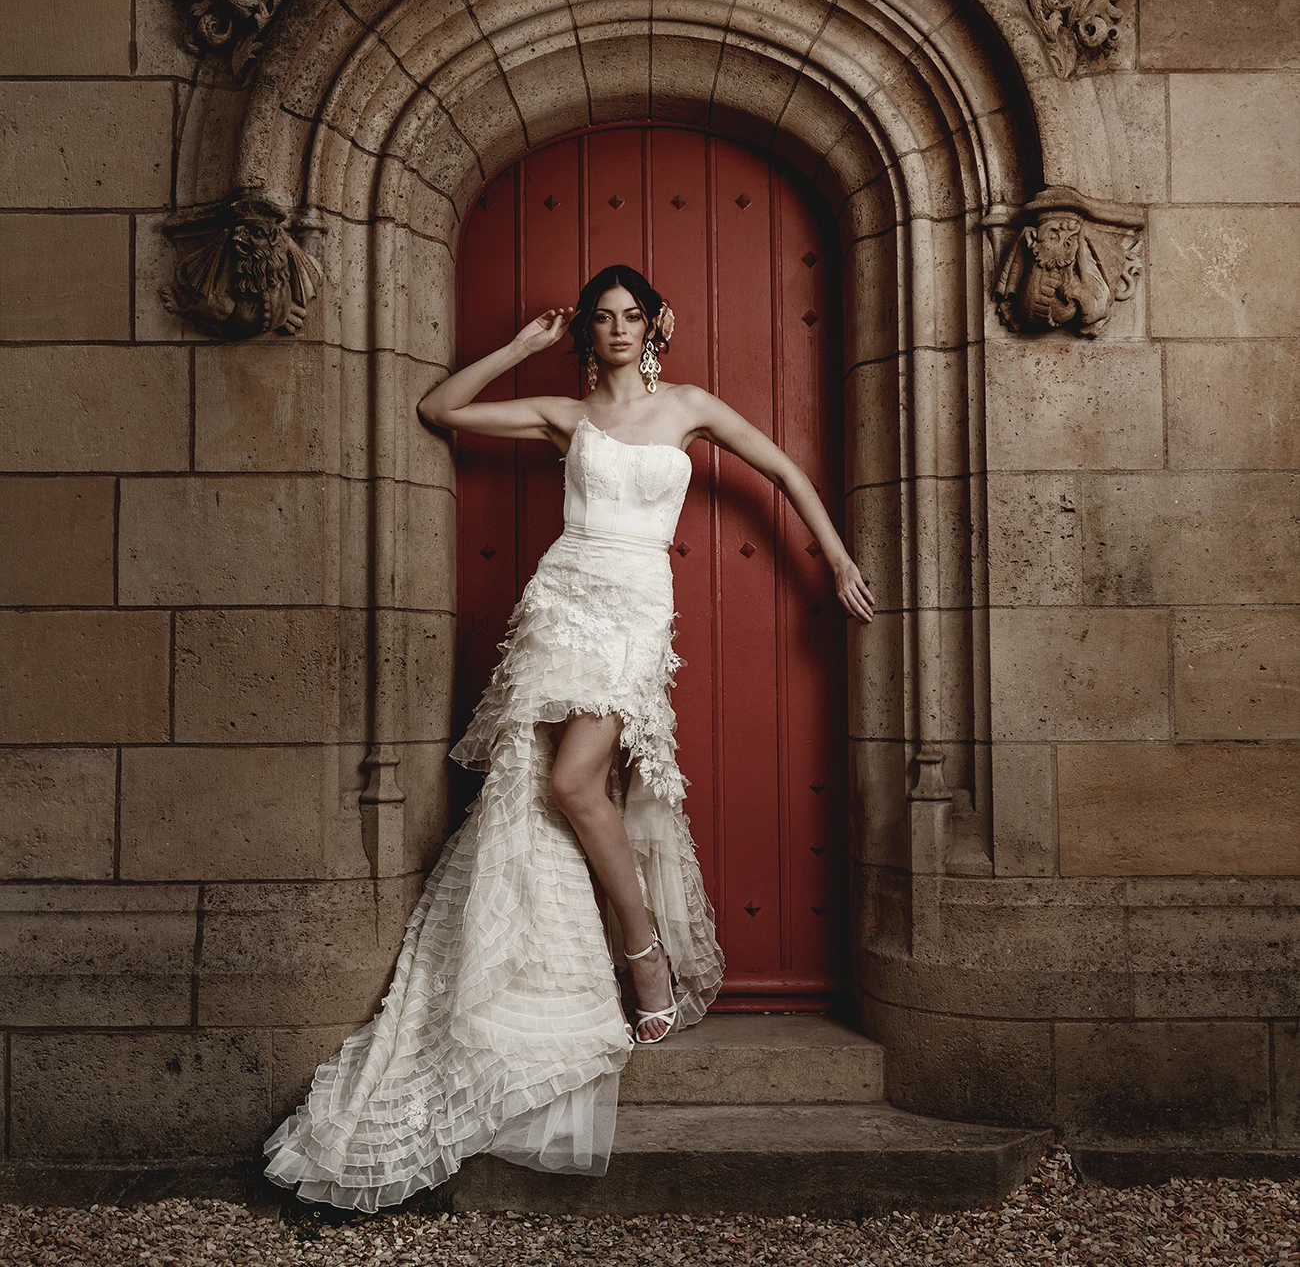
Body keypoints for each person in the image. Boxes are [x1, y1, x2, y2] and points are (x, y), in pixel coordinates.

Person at [264, 263, 874, 1210]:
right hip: (562, 598)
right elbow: (442, 408)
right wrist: (519, 347)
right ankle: (633, 958)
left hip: (635, 605)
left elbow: (785, 470)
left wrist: (832, 563)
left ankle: (643, 957)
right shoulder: (564, 413)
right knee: (548, 786)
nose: (620, 329)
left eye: (632, 316)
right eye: (604, 319)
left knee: (575, 783)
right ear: (588, 332)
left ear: (654, 324)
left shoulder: (692, 407)